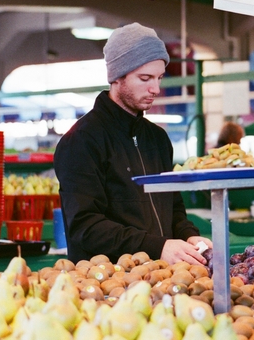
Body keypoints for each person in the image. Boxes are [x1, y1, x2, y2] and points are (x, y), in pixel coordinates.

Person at [54, 23, 212, 264]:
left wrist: (188, 235)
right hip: (106, 280)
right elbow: (85, 226)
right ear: (117, 76)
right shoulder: (81, 140)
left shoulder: (157, 139)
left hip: (160, 276)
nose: (155, 89)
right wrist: (157, 247)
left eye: (159, 78)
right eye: (145, 78)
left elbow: (173, 208)